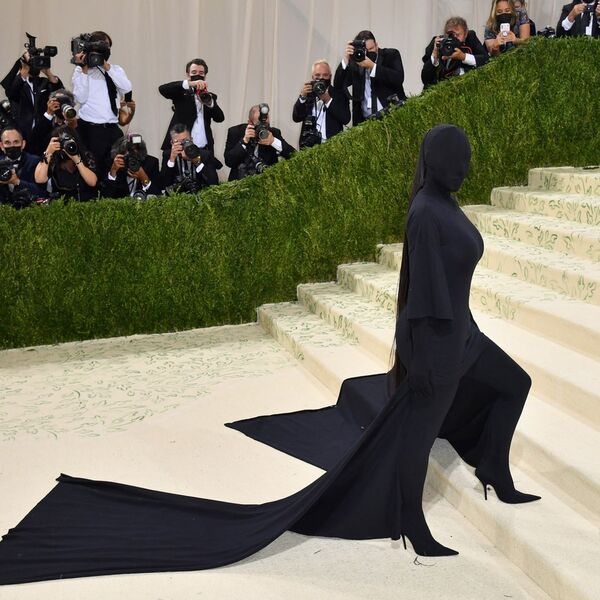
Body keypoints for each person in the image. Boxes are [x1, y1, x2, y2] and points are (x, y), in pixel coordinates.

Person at [71, 31, 132, 177]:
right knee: (93, 170)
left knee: (117, 169)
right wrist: (84, 69)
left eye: (107, 47)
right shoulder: (80, 71)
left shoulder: (115, 69)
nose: (104, 50)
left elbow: (127, 88)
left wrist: (105, 66)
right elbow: (80, 98)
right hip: (90, 130)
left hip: (112, 129)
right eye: (101, 46)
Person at [334, 30, 406, 126]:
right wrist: (346, 59)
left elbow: (398, 78)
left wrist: (373, 66)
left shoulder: (391, 55)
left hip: (393, 116)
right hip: (366, 123)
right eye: (365, 51)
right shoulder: (355, 62)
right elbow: (338, 85)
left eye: (371, 49)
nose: (368, 53)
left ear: (376, 45)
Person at [158, 58, 225, 161]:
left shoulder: (209, 96)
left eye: (201, 73)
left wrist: (209, 103)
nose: (198, 75)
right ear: (188, 75)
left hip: (204, 150)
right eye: (194, 72)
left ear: (205, 76)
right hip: (180, 149)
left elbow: (220, 118)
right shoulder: (181, 93)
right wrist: (189, 84)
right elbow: (162, 89)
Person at [0, 45, 63, 146]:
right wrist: (25, 68)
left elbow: (60, 91)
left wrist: (48, 72)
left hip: (43, 131)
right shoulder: (17, 84)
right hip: (22, 134)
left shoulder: (44, 82)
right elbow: (11, 92)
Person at [224, 104, 295, 181]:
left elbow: (294, 155)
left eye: (266, 124)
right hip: (239, 181)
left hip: (266, 181)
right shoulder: (236, 132)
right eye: (259, 125)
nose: (263, 128)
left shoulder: (274, 133)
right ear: (250, 123)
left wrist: (273, 141)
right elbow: (229, 162)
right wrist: (244, 141)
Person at [292, 59, 350, 149]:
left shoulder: (339, 94)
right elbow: (296, 118)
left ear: (330, 76)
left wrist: (328, 100)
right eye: (317, 75)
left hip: (333, 147)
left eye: (325, 75)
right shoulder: (308, 94)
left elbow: (346, 119)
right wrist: (302, 97)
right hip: (309, 147)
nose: (321, 78)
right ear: (312, 77)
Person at [34, 125, 98, 201]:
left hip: (84, 202)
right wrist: (48, 153)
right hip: (59, 203)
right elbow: (39, 179)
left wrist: (77, 160)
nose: (65, 144)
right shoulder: (53, 157)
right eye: (62, 141)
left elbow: (92, 182)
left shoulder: (85, 155)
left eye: (68, 140)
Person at [421, 17, 488, 88]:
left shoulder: (470, 38)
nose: (453, 38)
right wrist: (435, 54)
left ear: (465, 34)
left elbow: (486, 60)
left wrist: (464, 57)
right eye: (450, 35)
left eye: (457, 35)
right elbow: (426, 80)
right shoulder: (438, 43)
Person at [161, 123, 219, 193]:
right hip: (177, 196)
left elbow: (214, 183)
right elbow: (164, 185)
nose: (183, 145)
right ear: (172, 143)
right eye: (179, 142)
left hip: (201, 195)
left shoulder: (205, 155)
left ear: (191, 139)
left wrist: (196, 161)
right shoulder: (168, 155)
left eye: (186, 141)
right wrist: (172, 160)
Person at [102, 134, 161, 199]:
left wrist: (144, 178)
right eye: (126, 155)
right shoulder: (114, 163)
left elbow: (157, 196)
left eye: (134, 154)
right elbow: (104, 197)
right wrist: (113, 172)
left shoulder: (150, 163)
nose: (131, 158)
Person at [0, 126, 45, 207]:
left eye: (16, 142)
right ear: (2, 146)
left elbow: (42, 192)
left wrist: (17, 182)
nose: (12, 146)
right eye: (7, 143)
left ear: (23, 144)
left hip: (29, 210)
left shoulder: (35, 161)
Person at [27, 88, 78, 156]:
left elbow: (80, 145)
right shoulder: (44, 122)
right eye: (57, 101)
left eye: (64, 102)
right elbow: (34, 143)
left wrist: (71, 122)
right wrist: (49, 114)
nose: (61, 105)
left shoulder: (76, 124)